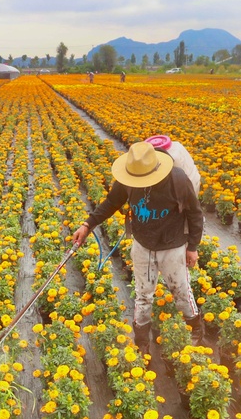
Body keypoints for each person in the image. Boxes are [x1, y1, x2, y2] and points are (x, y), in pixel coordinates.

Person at [72, 141, 204, 352]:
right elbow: (111, 203)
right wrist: (87, 225)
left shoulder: (177, 179)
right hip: (143, 244)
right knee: (143, 294)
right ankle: (142, 342)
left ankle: (195, 328)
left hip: (172, 245)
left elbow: (195, 214)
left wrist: (192, 247)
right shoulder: (129, 178)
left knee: (181, 291)